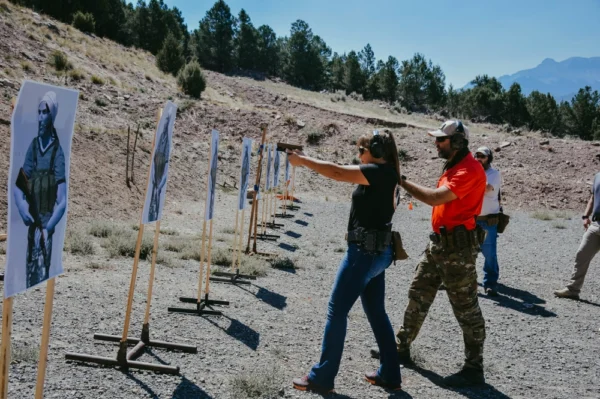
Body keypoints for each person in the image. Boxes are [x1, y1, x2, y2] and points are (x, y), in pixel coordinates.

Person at [373, 120, 487, 388]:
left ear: (457, 142)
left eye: (441, 140)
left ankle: (474, 368)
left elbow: (436, 198)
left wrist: (400, 181)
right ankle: (401, 348)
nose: (436, 143)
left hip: (458, 250)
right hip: (440, 245)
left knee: (466, 309)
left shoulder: (470, 169)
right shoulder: (454, 166)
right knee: (418, 293)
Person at [288, 130, 403, 394]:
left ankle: (322, 377)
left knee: (336, 310)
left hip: (364, 253)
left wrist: (303, 160)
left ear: (375, 150)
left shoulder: (379, 172)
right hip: (378, 252)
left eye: (361, 150)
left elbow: (338, 172)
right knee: (376, 312)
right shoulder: (389, 173)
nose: (358, 155)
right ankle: (390, 373)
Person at [14, 91, 67, 288]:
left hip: (45, 231)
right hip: (32, 229)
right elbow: (19, 185)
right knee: (29, 279)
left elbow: (62, 202)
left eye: (44, 112)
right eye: (39, 112)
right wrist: (21, 207)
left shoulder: (57, 153)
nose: (40, 117)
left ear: (51, 115)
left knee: (42, 279)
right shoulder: (34, 147)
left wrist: (48, 228)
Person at [555, 174, 600, 300]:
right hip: (596, 224)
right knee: (582, 254)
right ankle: (573, 289)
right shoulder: (597, 176)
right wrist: (586, 216)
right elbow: (593, 198)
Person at [474, 146, 502, 296]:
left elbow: (486, 188)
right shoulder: (475, 173)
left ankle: (490, 283)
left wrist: (471, 177)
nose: (479, 159)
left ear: (489, 158)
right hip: (473, 219)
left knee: (489, 254)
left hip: (487, 220)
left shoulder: (494, 174)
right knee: (467, 252)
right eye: (477, 156)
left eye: (482, 156)